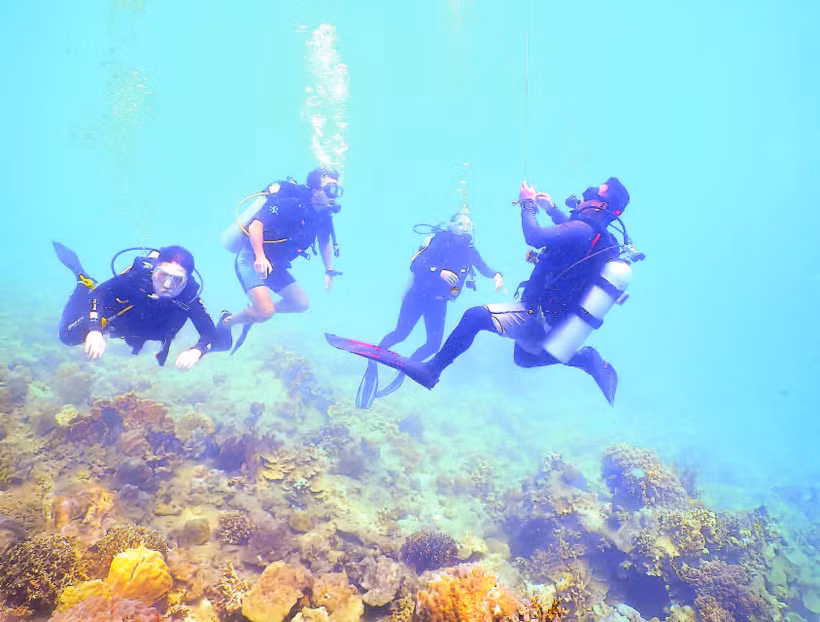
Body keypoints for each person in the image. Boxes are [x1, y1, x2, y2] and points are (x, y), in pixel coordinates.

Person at [327, 177, 636, 405]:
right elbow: (572, 233)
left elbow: (535, 236)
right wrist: (552, 208)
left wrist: (527, 203)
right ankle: (585, 359)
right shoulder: (601, 240)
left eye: (588, 196)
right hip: (559, 322)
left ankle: (431, 370)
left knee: (475, 316)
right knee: (525, 359)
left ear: (600, 204)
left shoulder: (581, 230)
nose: (581, 200)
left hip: (535, 313)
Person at [355, 207, 504, 408]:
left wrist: (496, 275)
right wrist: (439, 272)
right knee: (401, 334)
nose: (464, 227)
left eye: (468, 224)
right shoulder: (439, 241)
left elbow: (484, 267)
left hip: (439, 301)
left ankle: (405, 368)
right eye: (460, 223)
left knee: (433, 345)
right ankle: (373, 361)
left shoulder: (470, 251)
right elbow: (416, 265)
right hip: (417, 297)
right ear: (451, 225)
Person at [219, 168, 342, 352]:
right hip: (251, 258)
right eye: (330, 189)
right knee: (265, 312)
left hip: (274, 265)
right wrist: (260, 256)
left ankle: (255, 312)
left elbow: (325, 242)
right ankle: (229, 321)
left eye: (338, 190)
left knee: (300, 304)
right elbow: (256, 225)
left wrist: (329, 270)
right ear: (316, 191)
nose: (335, 196)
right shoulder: (292, 204)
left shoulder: (323, 216)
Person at [54, 242, 227, 369]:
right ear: (153, 272)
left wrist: (197, 350)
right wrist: (94, 329)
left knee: (224, 343)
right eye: (162, 276)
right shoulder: (136, 278)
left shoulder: (188, 296)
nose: (167, 285)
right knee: (67, 336)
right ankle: (84, 281)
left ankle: (228, 321)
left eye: (177, 280)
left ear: (187, 280)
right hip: (121, 322)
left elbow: (210, 334)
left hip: (152, 330)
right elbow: (99, 294)